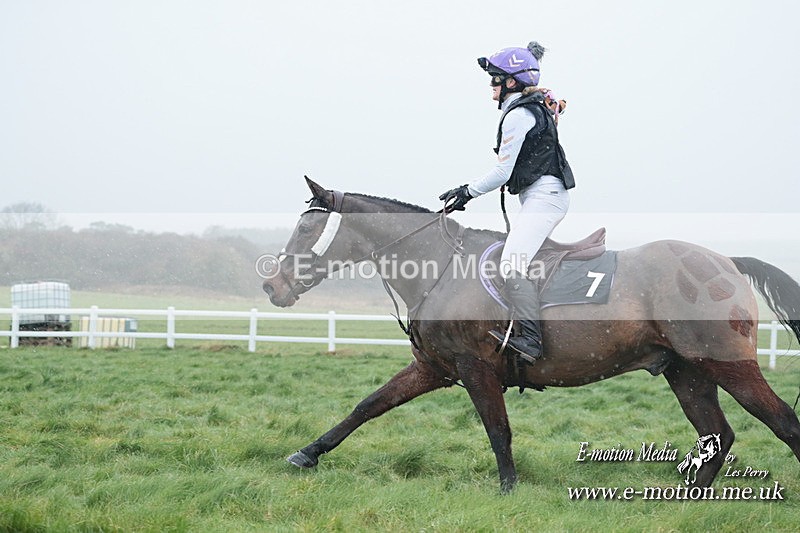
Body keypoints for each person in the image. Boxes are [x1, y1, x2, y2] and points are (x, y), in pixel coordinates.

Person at [438, 41, 575, 363]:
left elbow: (503, 172)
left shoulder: (520, 114)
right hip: (540, 196)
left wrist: (466, 193)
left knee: (511, 264)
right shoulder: (533, 106)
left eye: (495, 80)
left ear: (511, 82)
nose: (491, 87)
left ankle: (530, 340)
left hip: (545, 198)